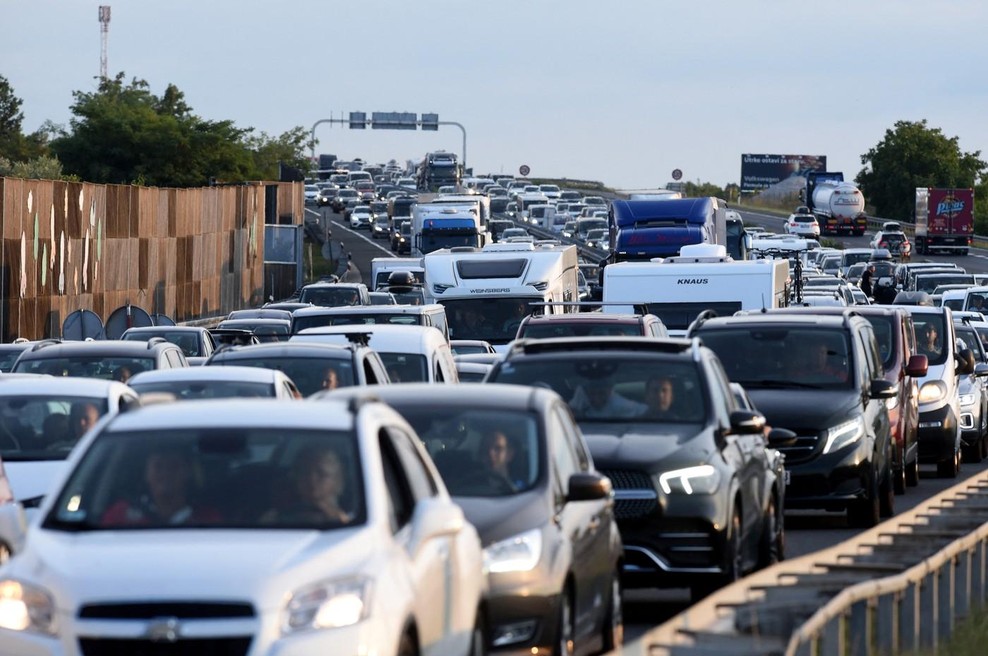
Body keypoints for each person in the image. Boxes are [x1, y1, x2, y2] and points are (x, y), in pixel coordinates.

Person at [101, 445, 220, 526]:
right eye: (158, 466)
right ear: (146, 474)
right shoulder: (120, 515)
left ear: (187, 473)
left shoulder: (207, 519)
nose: (165, 474)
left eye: (174, 466)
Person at [266, 445, 352, 524]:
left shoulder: (354, 521)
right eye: (304, 472)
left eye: (322, 474)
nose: (311, 479)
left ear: (339, 481)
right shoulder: (277, 515)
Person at [569, 377, 646, 418]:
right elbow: (569, 412)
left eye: (601, 393)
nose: (596, 398)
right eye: (592, 394)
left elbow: (645, 411)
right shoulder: (581, 399)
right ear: (586, 393)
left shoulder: (621, 405)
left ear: (609, 391)